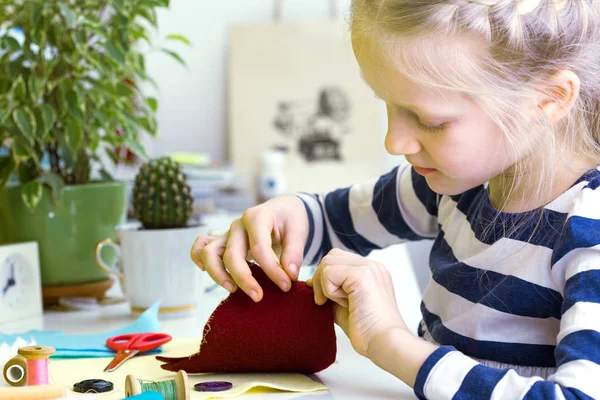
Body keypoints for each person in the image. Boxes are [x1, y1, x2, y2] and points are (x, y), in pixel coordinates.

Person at [191, 0, 600, 398]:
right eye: (386, 104)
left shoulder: (588, 233)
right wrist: (278, 222)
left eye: (429, 121)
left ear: (549, 98)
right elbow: (331, 220)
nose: (394, 142)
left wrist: (390, 342)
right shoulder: (453, 183)